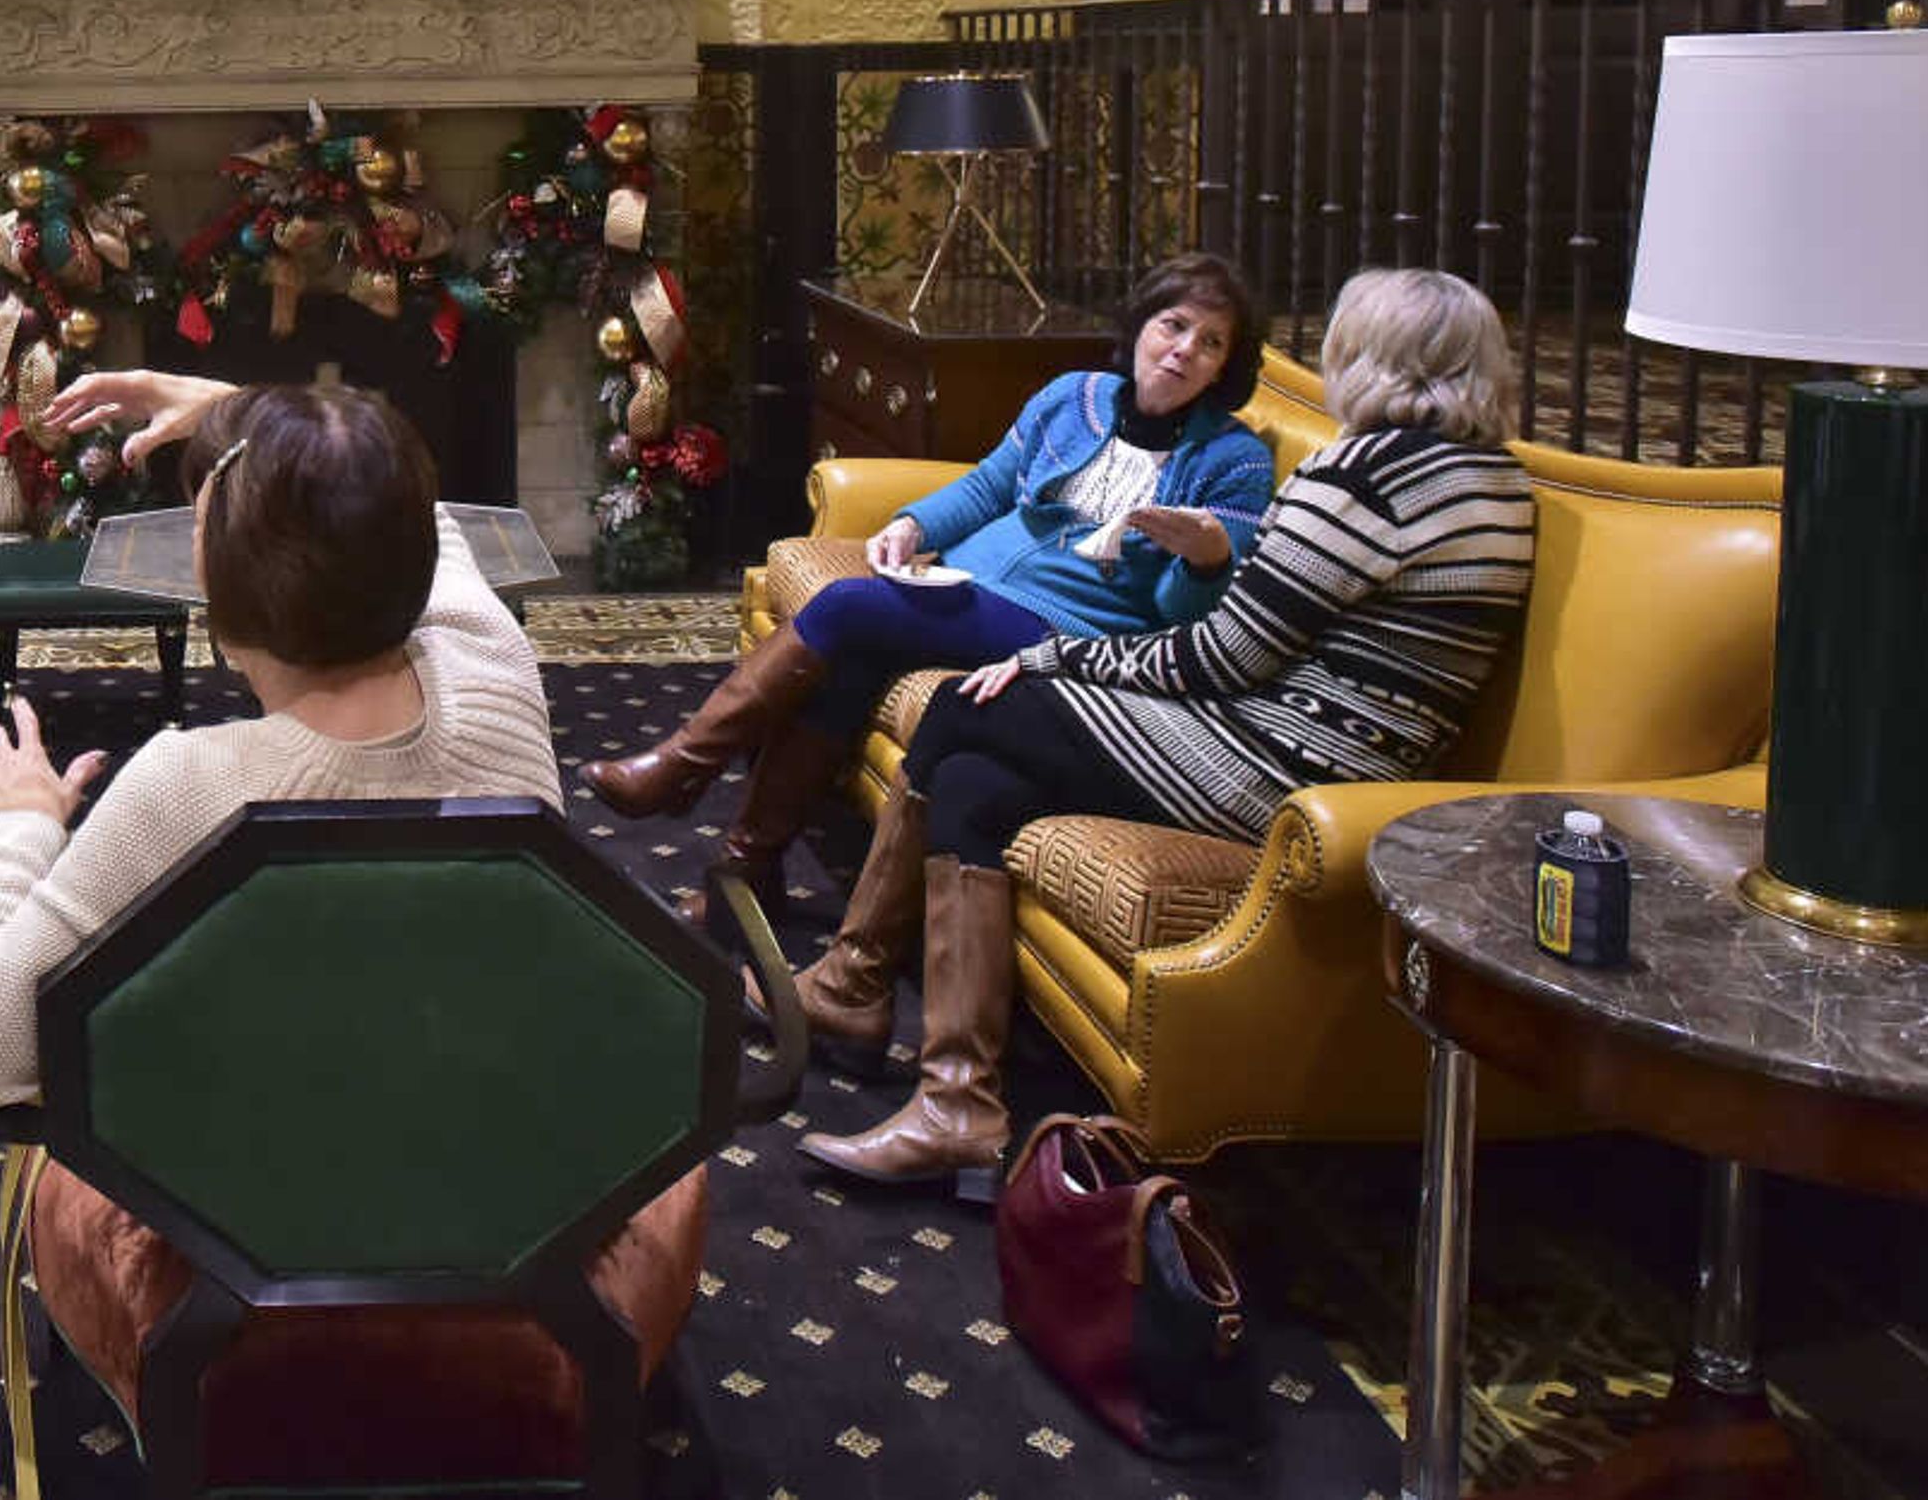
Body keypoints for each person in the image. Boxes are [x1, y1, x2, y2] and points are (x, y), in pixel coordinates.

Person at [794, 268, 1535, 1186]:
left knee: (962, 705)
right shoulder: (1493, 483)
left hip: (1281, 765)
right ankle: (952, 1094)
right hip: (1341, 757)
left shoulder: (1362, 477)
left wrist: (1048, 660)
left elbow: (1221, 657)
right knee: (979, 782)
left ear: (1367, 359)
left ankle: (860, 995)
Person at [0, 369, 558, 1112]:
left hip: (251, 1198)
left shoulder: (189, 787)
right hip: (488, 1161)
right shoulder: (493, 668)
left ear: (217, 586)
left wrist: (23, 828)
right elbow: (411, 513)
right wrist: (238, 415)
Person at [583, 253, 1276, 920]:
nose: (1185, 350)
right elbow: (989, 485)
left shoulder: (1234, 463)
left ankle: (682, 764)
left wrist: (1208, 561)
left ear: (1226, 367)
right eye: (1173, 325)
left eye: (1211, 342)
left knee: (849, 606)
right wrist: (912, 525)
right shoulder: (1074, 397)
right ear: (1142, 327)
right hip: (973, 587)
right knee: (847, 665)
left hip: (1069, 629)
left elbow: (1179, 618)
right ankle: (745, 875)